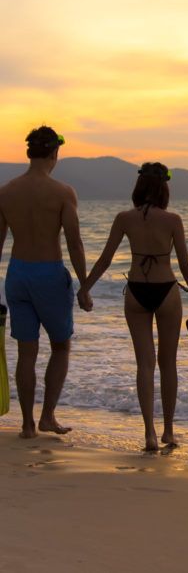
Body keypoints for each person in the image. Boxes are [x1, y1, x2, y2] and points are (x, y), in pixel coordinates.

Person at [79, 162, 188, 451]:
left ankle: (149, 433)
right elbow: (185, 264)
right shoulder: (173, 220)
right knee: (167, 363)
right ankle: (169, 431)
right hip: (166, 292)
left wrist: (84, 287)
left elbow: (105, 259)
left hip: (136, 291)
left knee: (144, 364)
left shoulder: (124, 218)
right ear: (164, 188)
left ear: (139, 186)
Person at [0, 126, 91, 438]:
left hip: (18, 275)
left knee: (27, 352)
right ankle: (47, 416)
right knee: (60, 346)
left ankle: (26, 425)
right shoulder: (63, 193)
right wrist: (85, 285)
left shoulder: (6, 192)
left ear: (29, 153)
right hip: (49, 274)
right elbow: (75, 244)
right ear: (55, 153)